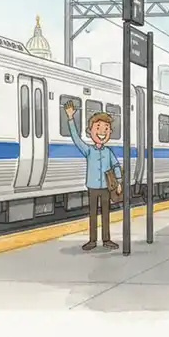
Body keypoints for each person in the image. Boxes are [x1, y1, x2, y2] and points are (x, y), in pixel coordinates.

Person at [64, 101, 122, 251]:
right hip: (93, 187)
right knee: (93, 214)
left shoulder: (108, 151)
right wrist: (70, 119)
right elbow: (76, 140)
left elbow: (116, 165)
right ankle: (92, 240)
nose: (102, 132)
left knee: (105, 214)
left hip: (105, 187)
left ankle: (106, 239)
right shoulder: (89, 150)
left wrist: (119, 181)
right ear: (90, 131)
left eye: (106, 129)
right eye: (98, 128)